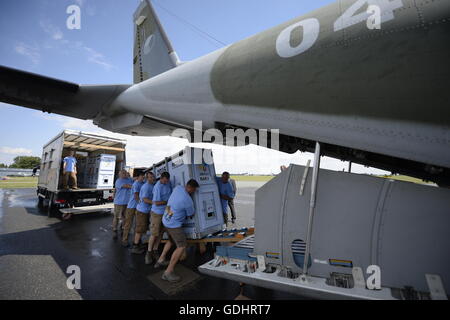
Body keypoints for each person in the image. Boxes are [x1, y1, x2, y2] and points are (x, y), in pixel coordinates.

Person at [157, 180, 199, 282]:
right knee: (182, 246)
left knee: (171, 241)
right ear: (191, 188)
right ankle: (168, 272)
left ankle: (161, 259)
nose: (194, 192)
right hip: (173, 225)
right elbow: (190, 214)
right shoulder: (188, 200)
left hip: (165, 219)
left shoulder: (178, 188)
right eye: (194, 190)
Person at [145, 172, 172, 265]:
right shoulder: (157, 187)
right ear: (161, 178)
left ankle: (155, 250)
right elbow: (156, 203)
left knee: (160, 233)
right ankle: (148, 253)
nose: (166, 182)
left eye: (167, 180)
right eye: (165, 180)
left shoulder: (168, 183)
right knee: (154, 233)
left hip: (165, 213)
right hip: (156, 213)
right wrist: (167, 201)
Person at [131, 171, 156, 254]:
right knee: (139, 229)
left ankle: (138, 244)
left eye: (153, 177)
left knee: (142, 229)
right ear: (147, 178)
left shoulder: (151, 185)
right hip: (142, 211)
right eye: (150, 177)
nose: (152, 178)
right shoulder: (146, 187)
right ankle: (135, 246)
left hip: (145, 210)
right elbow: (145, 199)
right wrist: (155, 202)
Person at [122, 171, 145, 247]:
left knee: (138, 224)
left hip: (138, 207)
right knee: (128, 224)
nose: (143, 178)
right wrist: (141, 204)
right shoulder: (136, 184)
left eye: (143, 176)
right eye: (142, 176)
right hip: (132, 207)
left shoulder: (142, 183)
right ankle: (124, 240)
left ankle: (136, 240)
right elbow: (136, 196)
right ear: (138, 177)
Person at [112, 170, 133, 240]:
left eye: (125, 173)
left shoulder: (129, 179)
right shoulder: (119, 181)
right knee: (117, 217)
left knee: (125, 217)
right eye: (123, 173)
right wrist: (136, 185)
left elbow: (135, 179)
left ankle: (123, 227)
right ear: (120, 175)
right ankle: (115, 229)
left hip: (127, 202)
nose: (125, 174)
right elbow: (128, 186)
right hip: (119, 202)